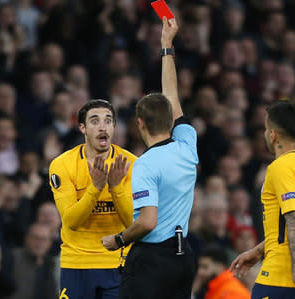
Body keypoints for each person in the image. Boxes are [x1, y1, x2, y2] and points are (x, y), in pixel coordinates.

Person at [102, 17, 199, 299]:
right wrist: (166, 47)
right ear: (171, 120)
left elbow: (147, 222)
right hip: (183, 257)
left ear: (140, 123)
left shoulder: (145, 164)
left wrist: (118, 240)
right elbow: (172, 96)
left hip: (152, 260)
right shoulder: (187, 144)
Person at [231, 100, 295, 299]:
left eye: (266, 129)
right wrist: (258, 251)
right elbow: (292, 226)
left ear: (272, 134)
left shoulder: (280, 167)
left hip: (283, 273)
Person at [48, 98, 137, 299]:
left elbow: (133, 222)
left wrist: (115, 188)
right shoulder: (62, 165)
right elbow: (70, 221)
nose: (102, 126)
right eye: (95, 121)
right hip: (77, 263)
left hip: (119, 265)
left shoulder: (132, 164)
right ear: (83, 128)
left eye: (108, 121)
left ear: (114, 127)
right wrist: (95, 189)